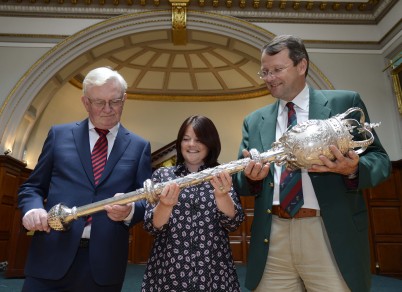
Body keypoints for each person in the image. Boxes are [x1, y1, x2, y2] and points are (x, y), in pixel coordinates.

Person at [233, 35, 391, 292]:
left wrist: (352, 169)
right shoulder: (254, 120)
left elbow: (379, 160)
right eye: (264, 71)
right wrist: (251, 177)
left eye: (277, 70)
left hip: (329, 234)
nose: (269, 78)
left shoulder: (344, 103)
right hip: (273, 237)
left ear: (302, 65)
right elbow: (241, 179)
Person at [18, 67, 152, 291]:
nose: (108, 109)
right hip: (51, 255)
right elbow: (32, 187)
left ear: (124, 100)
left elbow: (145, 200)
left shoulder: (139, 147)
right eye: (99, 102)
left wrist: (129, 211)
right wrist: (32, 210)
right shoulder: (59, 135)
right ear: (85, 102)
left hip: (104, 264)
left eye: (115, 101)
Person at [141, 115, 245, 291]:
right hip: (169, 269)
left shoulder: (223, 174)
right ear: (180, 143)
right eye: (186, 139)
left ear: (209, 143)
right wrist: (165, 206)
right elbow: (152, 227)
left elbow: (233, 223)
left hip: (214, 270)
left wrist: (222, 196)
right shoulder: (163, 176)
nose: (191, 145)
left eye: (199, 140)